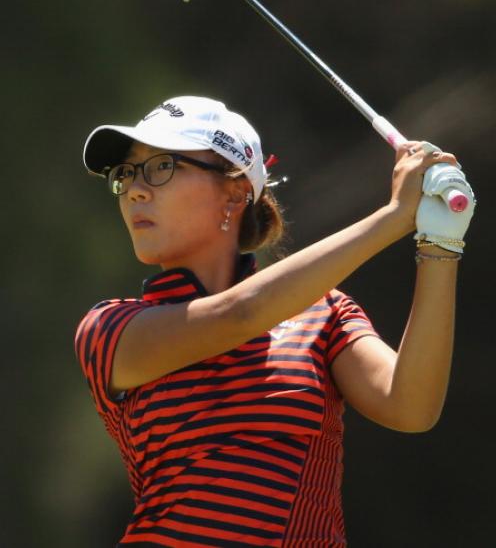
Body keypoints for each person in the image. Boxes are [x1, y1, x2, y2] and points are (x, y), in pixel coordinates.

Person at [75, 95, 475, 547]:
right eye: (125, 174)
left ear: (235, 191)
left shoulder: (323, 315)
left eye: (160, 166)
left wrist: (440, 245)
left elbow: (410, 407)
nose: (135, 189)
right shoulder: (108, 329)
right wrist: (394, 217)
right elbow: (240, 315)